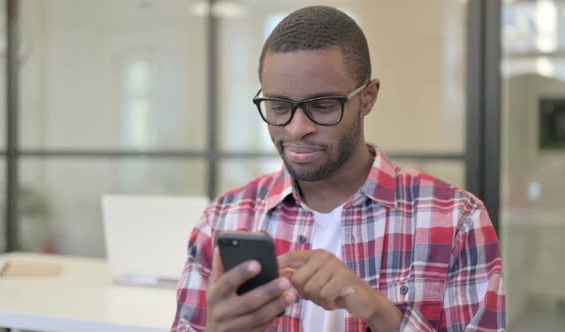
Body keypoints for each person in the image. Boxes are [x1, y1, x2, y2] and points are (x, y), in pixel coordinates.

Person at [172, 5, 504, 332]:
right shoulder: (222, 219)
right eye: (278, 106)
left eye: (322, 106)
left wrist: (381, 314)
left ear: (368, 98)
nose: (297, 128)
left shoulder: (456, 220)